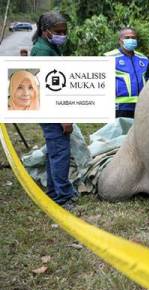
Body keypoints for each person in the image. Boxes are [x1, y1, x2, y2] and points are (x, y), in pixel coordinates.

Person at [31, 11, 77, 210]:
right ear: (46, 31)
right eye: (59, 31)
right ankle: (63, 197)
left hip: (48, 110)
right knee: (60, 153)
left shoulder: (49, 47)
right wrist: (63, 118)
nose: (63, 34)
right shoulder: (43, 52)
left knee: (54, 152)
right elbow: (50, 89)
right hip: (51, 111)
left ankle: (54, 192)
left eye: (65, 31)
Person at [104, 27, 149, 118]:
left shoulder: (144, 59)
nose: (131, 40)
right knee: (120, 132)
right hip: (119, 107)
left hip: (141, 106)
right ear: (120, 40)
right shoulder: (110, 57)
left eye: (133, 38)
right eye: (127, 38)